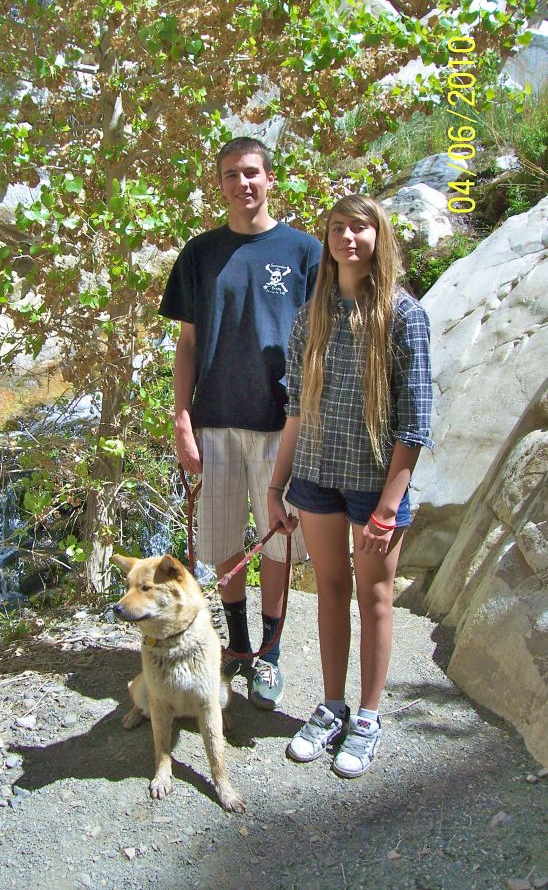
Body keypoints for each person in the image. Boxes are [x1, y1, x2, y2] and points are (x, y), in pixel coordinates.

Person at [267, 193, 433, 776]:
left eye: (360, 229)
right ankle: (331, 705)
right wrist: (276, 484)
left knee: (375, 597)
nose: (348, 238)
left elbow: (414, 423)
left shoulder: (403, 314)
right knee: (331, 591)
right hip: (314, 475)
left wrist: (390, 506)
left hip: (372, 485)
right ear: (327, 239)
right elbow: (295, 406)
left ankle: (367, 717)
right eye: (338, 228)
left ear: (378, 237)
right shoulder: (310, 313)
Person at [159, 136, 322, 709]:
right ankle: (237, 644)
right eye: (231, 174)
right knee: (225, 538)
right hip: (217, 421)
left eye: (251, 173)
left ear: (270, 179)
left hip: (284, 424)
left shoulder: (306, 251)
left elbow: (325, 340)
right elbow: (186, 342)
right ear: (220, 183)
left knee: (277, 541)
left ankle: (269, 655)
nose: (242, 183)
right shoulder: (200, 254)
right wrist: (181, 417)